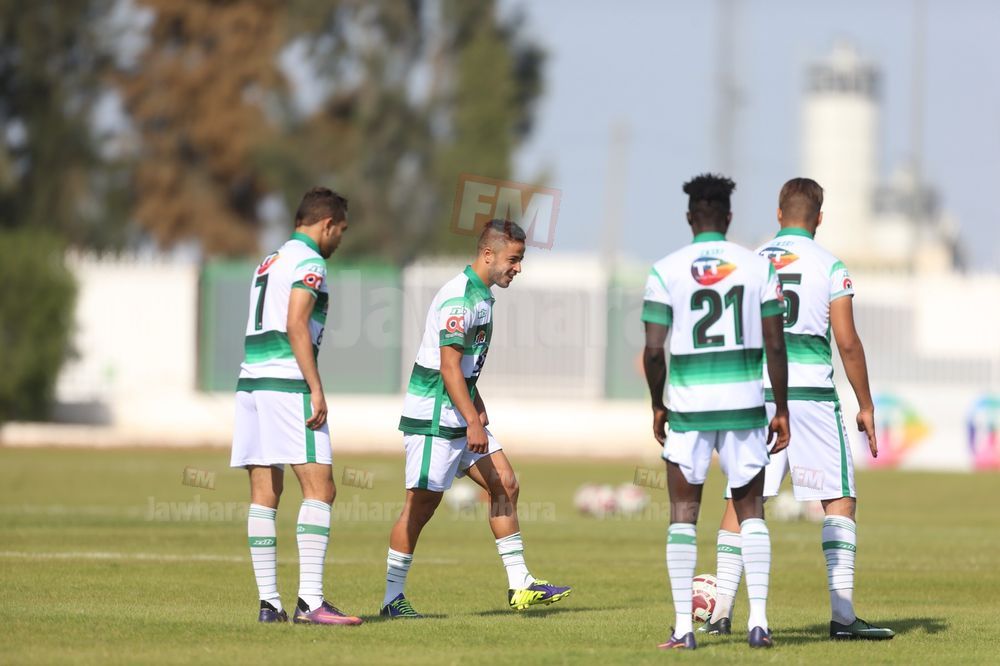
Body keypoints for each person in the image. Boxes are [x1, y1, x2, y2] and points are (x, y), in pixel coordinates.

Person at [703, 178, 894, 640]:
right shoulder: (829, 265)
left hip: (756, 395)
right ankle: (843, 618)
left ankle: (720, 613)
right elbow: (847, 343)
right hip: (810, 396)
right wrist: (866, 405)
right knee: (839, 500)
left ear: (778, 213)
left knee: (742, 498)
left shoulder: (749, 263)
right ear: (819, 218)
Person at [380, 219, 572, 619]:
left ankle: (520, 584)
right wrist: (472, 420)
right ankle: (391, 599)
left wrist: (476, 406)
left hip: (460, 412)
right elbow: (448, 367)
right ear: (488, 254)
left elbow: (465, 370)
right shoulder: (460, 298)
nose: (518, 268)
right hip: (435, 416)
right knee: (421, 507)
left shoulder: (483, 297)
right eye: (513, 259)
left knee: (506, 483)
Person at [641, 174, 790, 650]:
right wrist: (781, 408)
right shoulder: (759, 267)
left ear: (690, 217)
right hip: (744, 406)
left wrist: (658, 404)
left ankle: (684, 629)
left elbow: (653, 351)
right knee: (751, 511)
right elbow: (775, 344)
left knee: (683, 514)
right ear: (728, 217)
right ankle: (759, 623)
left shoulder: (665, 270)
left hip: (689, 409)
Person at [230, 186, 362, 626]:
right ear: (327, 224)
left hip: (252, 382)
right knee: (321, 489)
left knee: (264, 493)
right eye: (340, 230)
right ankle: (311, 602)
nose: (339, 239)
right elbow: (296, 324)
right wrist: (316, 387)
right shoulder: (311, 262)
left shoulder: (269, 260)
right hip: (288, 383)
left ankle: (269, 604)